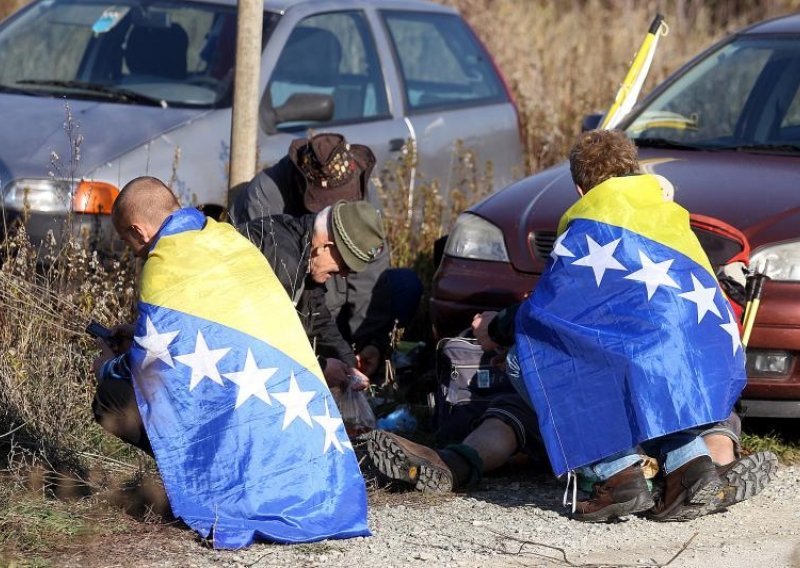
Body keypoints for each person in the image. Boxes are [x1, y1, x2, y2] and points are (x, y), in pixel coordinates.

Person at [364, 130, 777, 521]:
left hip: (644, 363)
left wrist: (498, 326)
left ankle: (617, 474)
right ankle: (691, 468)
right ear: (635, 172)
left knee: (526, 362)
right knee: (644, 379)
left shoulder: (591, 226)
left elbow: (547, 318)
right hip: (705, 361)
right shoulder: (670, 218)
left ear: (580, 189)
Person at [92, 176, 370, 548]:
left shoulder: (165, 261)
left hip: (250, 422)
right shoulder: (229, 238)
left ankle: (203, 482)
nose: (136, 252)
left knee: (110, 395)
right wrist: (141, 333)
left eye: (130, 244)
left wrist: (106, 366)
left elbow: (149, 375)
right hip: (303, 434)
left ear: (138, 232)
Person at [230, 133, 422, 379]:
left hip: (322, 303)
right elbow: (271, 319)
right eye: (326, 202)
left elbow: (370, 273)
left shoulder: (359, 185)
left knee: (403, 285)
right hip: (292, 310)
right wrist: (318, 365)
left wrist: (367, 343)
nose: (335, 207)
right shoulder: (268, 200)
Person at [236, 199, 387, 394]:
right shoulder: (281, 261)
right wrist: (320, 368)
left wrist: (349, 366)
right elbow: (265, 341)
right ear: (326, 246)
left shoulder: (306, 256)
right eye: (344, 265)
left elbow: (319, 321)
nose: (343, 274)